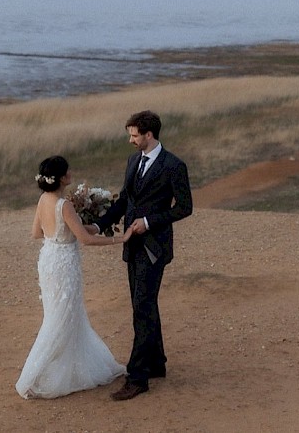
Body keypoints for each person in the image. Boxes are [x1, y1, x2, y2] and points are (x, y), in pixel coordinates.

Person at [96, 110, 193, 401]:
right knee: (145, 305)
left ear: (148, 135)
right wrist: (99, 224)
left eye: (134, 135)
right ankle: (157, 364)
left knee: (142, 307)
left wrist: (148, 222)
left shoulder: (174, 165)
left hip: (154, 248)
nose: (130, 140)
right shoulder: (133, 160)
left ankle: (137, 377)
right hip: (132, 246)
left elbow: (184, 207)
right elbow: (126, 198)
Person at [16, 155, 128, 399]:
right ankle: (36, 376)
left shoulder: (44, 199)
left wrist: (69, 226)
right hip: (65, 264)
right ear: (62, 177)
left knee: (58, 314)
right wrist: (119, 238)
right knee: (62, 317)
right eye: (68, 171)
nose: (71, 173)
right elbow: (86, 239)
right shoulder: (63, 205)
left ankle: (61, 368)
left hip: (48, 260)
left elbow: (36, 232)